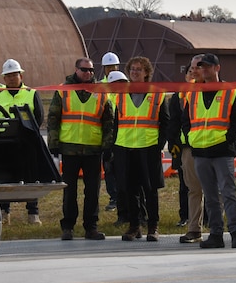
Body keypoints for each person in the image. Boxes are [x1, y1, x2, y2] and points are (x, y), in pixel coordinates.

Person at [47, 57, 115, 241]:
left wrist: (107, 146)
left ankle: (91, 227)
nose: (89, 73)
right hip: (69, 149)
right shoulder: (63, 90)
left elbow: (109, 121)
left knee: (92, 190)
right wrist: (53, 144)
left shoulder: (101, 92)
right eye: (85, 70)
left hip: (93, 149)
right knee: (69, 191)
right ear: (76, 70)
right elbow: (53, 118)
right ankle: (67, 227)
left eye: (91, 70)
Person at [183, 53, 236, 249]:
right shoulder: (192, 93)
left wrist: (228, 141)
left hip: (221, 152)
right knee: (210, 197)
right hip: (201, 152)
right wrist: (192, 140)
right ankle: (216, 234)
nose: (204, 70)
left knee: (228, 194)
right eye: (201, 67)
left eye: (208, 66)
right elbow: (186, 121)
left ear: (217, 68)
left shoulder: (230, 91)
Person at [111, 56, 169, 242]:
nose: (135, 72)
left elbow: (165, 122)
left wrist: (159, 144)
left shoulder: (157, 94)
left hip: (148, 147)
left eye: (139, 69)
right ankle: (134, 226)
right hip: (125, 147)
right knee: (129, 190)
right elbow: (116, 121)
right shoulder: (120, 94)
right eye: (132, 69)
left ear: (146, 73)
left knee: (151, 190)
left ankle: (153, 226)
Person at [0, 58, 44, 225]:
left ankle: (33, 212)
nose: (12, 78)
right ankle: (4, 211)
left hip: (27, 142)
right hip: (6, 143)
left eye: (15, 74)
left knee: (31, 176)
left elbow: (39, 117)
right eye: (8, 75)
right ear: (3, 79)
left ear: (21, 75)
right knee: (5, 177)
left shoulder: (31, 93)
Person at [169, 54, 207, 244]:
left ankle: (217, 228)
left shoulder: (222, 89)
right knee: (193, 189)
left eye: (197, 67)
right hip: (190, 147)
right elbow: (179, 121)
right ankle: (194, 229)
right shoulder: (185, 94)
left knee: (216, 190)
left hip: (214, 147)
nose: (194, 72)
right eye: (191, 69)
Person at [100, 52, 121, 214]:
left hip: (123, 131)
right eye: (108, 67)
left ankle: (122, 196)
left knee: (121, 166)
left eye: (113, 66)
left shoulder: (124, 84)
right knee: (109, 167)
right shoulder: (99, 86)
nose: (111, 69)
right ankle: (113, 197)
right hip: (106, 132)